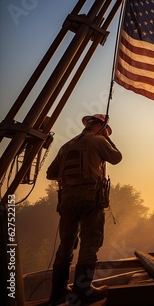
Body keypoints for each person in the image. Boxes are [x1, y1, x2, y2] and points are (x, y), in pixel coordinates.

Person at [46, 114, 122, 305]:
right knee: (90, 243)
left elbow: (51, 174)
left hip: (67, 199)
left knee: (66, 244)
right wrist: (107, 137)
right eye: (105, 129)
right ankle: (83, 290)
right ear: (99, 126)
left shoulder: (66, 146)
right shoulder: (98, 141)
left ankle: (58, 293)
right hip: (90, 198)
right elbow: (117, 157)